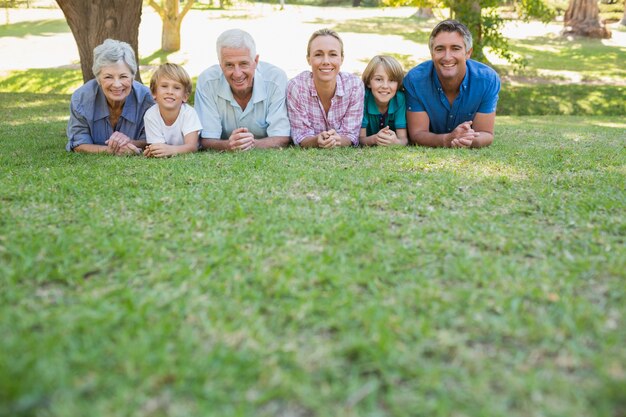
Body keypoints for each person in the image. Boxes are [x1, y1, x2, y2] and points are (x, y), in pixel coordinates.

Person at [404, 20, 500, 148]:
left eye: (455, 48)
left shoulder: (487, 80)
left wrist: (469, 141)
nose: (447, 57)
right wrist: (446, 140)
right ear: (432, 54)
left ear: (468, 53)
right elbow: (417, 134)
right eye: (440, 49)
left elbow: (486, 133)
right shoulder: (414, 80)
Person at [194, 29, 291, 151]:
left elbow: (282, 136)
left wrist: (250, 144)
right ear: (220, 64)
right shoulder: (207, 82)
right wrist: (229, 145)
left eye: (243, 63)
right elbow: (206, 139)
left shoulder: (276, 79)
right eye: (229, 65)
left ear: (255, 61)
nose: (237, 73)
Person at [66, 39, 154, 154]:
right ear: (98, 78)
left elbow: (150, 140)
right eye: (108, 77)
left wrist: (129, 143)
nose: (117, 85)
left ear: (132, 77)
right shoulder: (81, 99)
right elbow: (78, 143)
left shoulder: (147, 99)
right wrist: (111, 150)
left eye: (123, 76)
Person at [287, 28, 364, 148]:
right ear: (308, 59)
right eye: (318, 55)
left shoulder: (354, 86)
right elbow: (300, 136)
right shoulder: (297, 87)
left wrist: (337, 140)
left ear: (341, 59)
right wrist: (316, 141)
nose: (326, 61)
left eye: (333, 54)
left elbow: (351, 135)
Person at [143, 63, 202, 158]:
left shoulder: (188, 113)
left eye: (176, 88)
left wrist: (171, 150)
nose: (170, 92)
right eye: (164, 86)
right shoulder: (150, 115)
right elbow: (159, 147)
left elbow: (192, 147)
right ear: (154, 92)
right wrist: (154, 151)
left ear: (185, 96)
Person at [359, 55, 408, 146]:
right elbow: (359, 140)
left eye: (392, 80)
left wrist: (396, 142)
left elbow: (403, 139)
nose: (385, 86)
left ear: (398, 84)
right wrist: (374, 139)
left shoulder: (399, 99)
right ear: (369, 82)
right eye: (378, 79)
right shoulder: (362, 98)